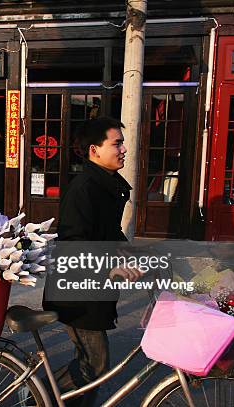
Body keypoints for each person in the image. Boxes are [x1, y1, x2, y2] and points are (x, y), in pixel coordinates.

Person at [43, 117, 142, 406]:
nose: (123, 149)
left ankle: (43, 394)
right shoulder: (84, 188)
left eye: (122, 142)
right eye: (116, 143)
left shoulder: (105, 184)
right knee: (95, 364)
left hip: (91, 288)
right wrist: (110, 266)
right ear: (94, 150)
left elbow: (109, 232)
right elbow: (73, 242)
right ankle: (40, 395)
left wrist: (136, 255)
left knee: (91, 363)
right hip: (77, 290)